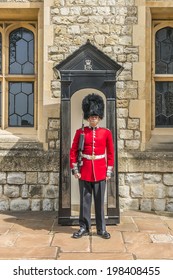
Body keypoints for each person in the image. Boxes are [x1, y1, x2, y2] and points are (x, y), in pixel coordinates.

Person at [70, 93, 114, 239]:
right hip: (85, 170)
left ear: (99, 117)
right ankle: (84, 227)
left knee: (100, 202)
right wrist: (75, 169)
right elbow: (73, 151)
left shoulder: (106, 133)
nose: (93, 118)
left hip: (101, 171)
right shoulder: (80, 132)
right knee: (85, 202)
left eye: (95, 116)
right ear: (88, 117)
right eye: (91, 116)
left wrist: (109, 171)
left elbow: (111, 153)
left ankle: (101, 229)